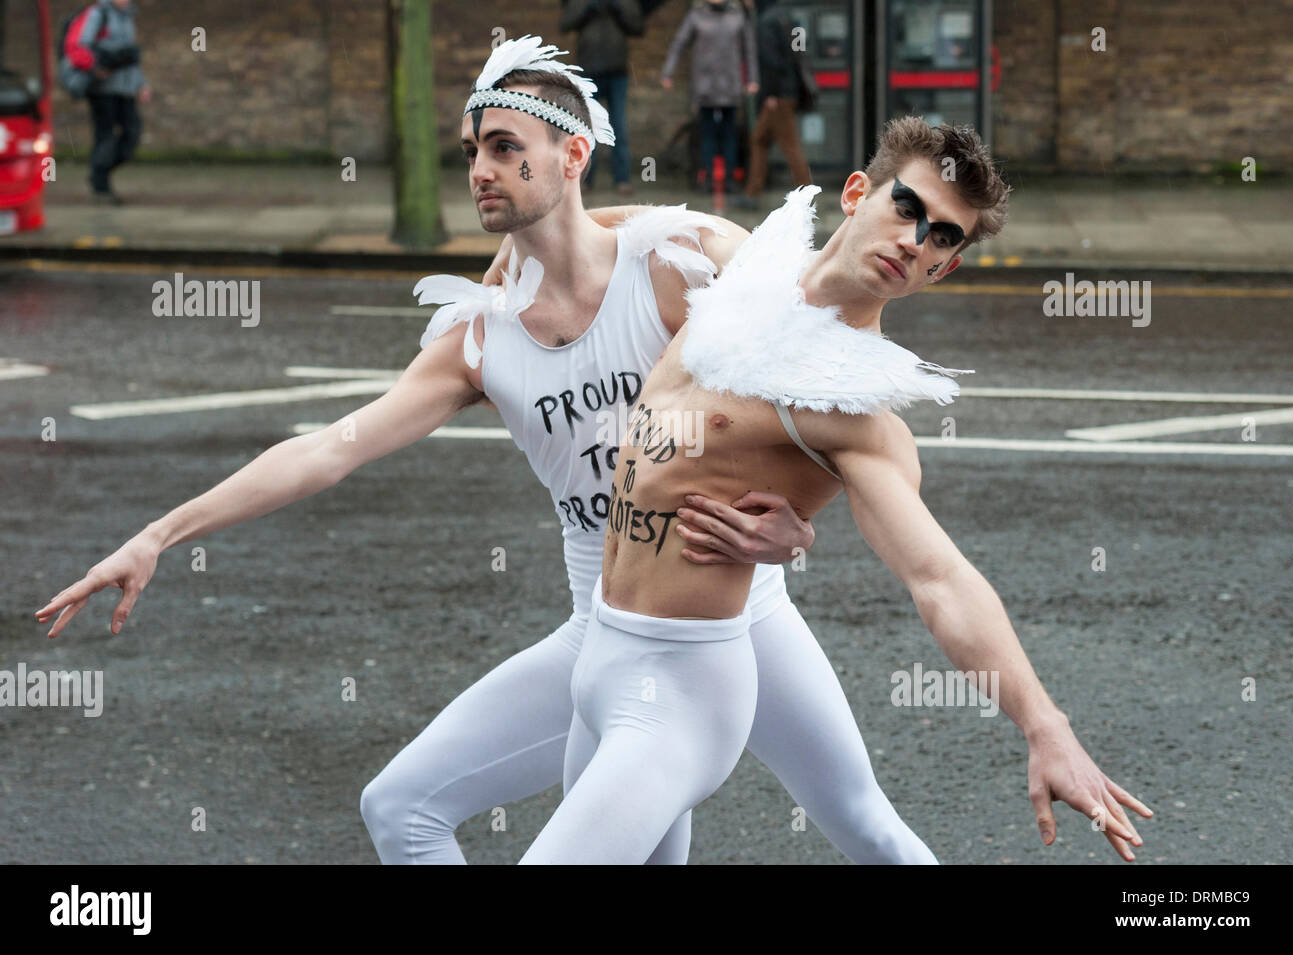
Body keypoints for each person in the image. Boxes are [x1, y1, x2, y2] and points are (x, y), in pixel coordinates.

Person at [35, 37, 935, 865]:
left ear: (573, 156)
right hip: (603, 632)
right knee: (400, 806)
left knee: (863, 822)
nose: (482, 168)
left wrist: (802, 531)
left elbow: (826, 357)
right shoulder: (481, 339)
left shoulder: (680, 267)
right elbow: (327, 449)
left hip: (746, 617)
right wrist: (160, 532)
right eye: (472, 151)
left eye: (507, 147)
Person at [519, 119, 1154, 864]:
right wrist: (514, 258)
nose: (917, 239)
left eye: (944, 237)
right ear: (857, 194)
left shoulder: (856, 412)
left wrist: (1046, 726)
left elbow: (939, 578)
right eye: (908, 207)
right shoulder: (747, 259)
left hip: (680, 690)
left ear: (942, 270)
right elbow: (605, 227)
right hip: (603, 654)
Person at [660, 0, 758, 195]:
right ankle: (706, 178)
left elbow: (749, 49)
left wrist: (752, 79)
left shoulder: (737, 15)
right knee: (707, 134)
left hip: (730, 84)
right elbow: (679, 43)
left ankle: (730, 178)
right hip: (706, 85)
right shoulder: (697, 15)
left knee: (729, 135)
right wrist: (667, 72)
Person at [559, 0, 644, 196]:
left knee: (619, 126)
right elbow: (565, 24)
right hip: (589, 71)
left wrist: (618, 10)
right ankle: (585, 179)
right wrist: (587, 10)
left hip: (617, 72)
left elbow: (638, 27)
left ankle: (622, 178)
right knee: (587, 126)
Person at [734, 0, 812, 211]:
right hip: (787, 92)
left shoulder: (766, 21)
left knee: (790, 146)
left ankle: (806, 194)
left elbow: (771, 61)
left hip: (778, 96)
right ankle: (752, 193)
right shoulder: (785, 15)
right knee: (759, 140)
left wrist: (770, 94)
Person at [76, 0, 151, 204]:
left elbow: (131, 57)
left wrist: (141, 84)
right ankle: (101, 187)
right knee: (105, 137)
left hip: (126, 89)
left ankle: (98, 171)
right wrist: (96, 67)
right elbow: (82, 46)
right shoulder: (98, 14)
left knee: (132, 135)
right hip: (103, 88)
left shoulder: (128, 17)